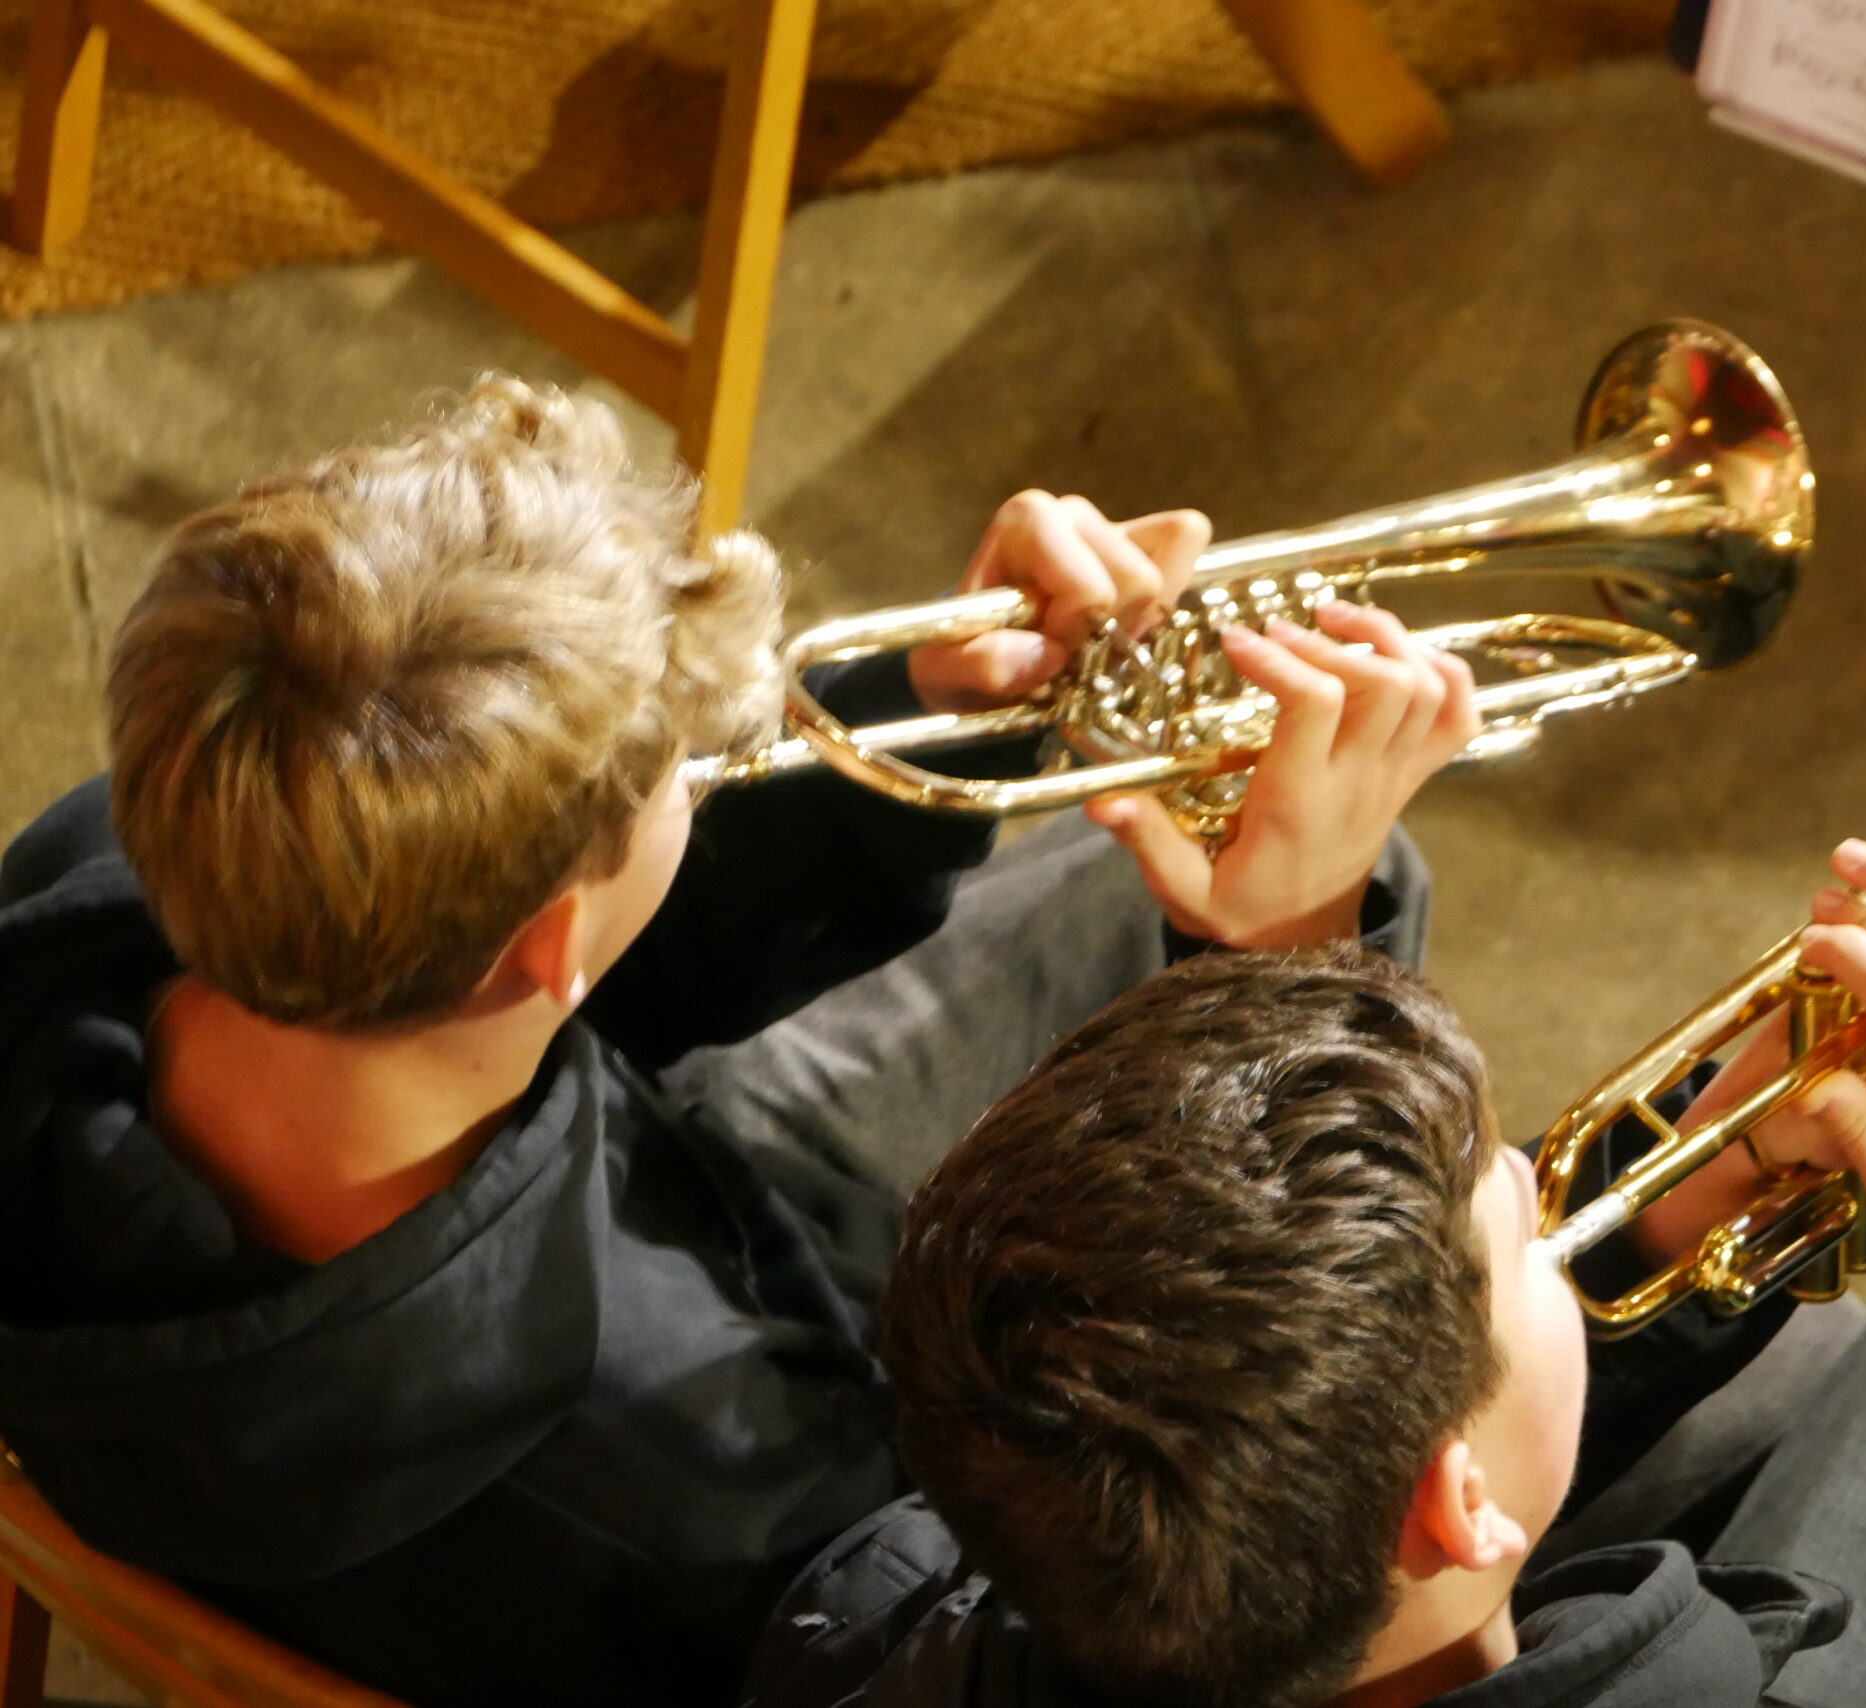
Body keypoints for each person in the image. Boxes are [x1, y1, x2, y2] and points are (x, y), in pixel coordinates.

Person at [0, 376, 1479, 1708]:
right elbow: (1124, 1598)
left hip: (608, 1240)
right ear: (551, 943)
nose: (716, 771)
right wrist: (1293, 965)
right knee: (1343, 902)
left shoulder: (153, 852)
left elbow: (555, 952)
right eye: (686, 778)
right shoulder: (730, 1490)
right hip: (815, 1431)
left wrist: (932, 712)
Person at [744, 811, 1866, 1708]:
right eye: (1519, 1229)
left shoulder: (936, 1597)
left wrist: (1676, 1211)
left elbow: (1352, 1445)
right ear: (1459, 1507)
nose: (1539, 1182)